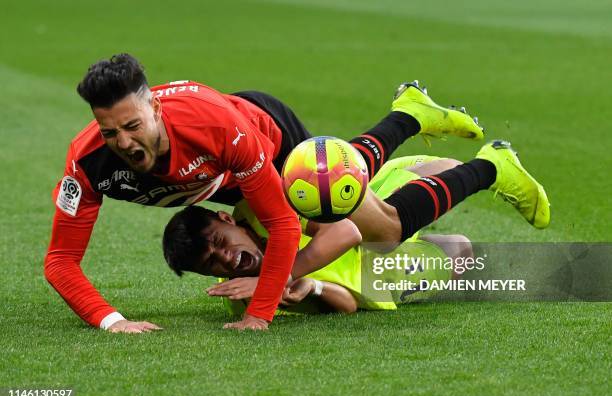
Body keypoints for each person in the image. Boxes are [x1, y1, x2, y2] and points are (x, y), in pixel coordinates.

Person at [44, 53, 485, 332]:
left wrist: (260, 312)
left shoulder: (218, 128)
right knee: (350, 178)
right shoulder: (87, 164)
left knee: (375, 223)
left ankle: (484, 165)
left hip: (264, 136)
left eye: (133, 126)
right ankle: (409, 112)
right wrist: (112, 322)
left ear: (155, 109)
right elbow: (60, 261)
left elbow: (282, 223)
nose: (123, 142)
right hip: (218, 178)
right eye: (110, 132)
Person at [162, 141, 550, 314]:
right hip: (374, 271)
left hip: (363, 229)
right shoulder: (248, 298)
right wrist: (311, 287)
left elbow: (346, 229)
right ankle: (488, 163)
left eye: (218, 242)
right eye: (211, 263)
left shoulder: (260, 209)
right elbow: (345, 304)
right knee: (458, 249)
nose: (226, 259)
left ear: (227, 219)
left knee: (445, 168)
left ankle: (425, 125)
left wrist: (278, 276)